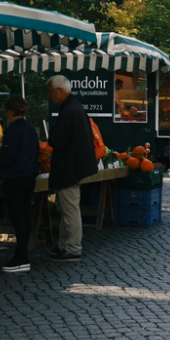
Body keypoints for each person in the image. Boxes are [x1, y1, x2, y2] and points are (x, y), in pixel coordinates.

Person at [46, 75, 98, 262]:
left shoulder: (69, 110)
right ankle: (64, 245)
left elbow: (56, 140)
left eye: (50, 92)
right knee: (66, 207)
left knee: (69, 209)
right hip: (72, 167)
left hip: (69, 168)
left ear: (60, 90)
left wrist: (52, 132)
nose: (49, 96)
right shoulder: (74, 107)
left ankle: (73, 248)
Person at [0, 97, 40, 272]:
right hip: (30, 176)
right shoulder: (31, 130)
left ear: (10, 112)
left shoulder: (12, 131)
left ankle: (21, 257)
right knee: (25, 214)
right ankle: (23, 253)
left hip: (15, 178)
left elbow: (7, 159)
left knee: (17, 216)